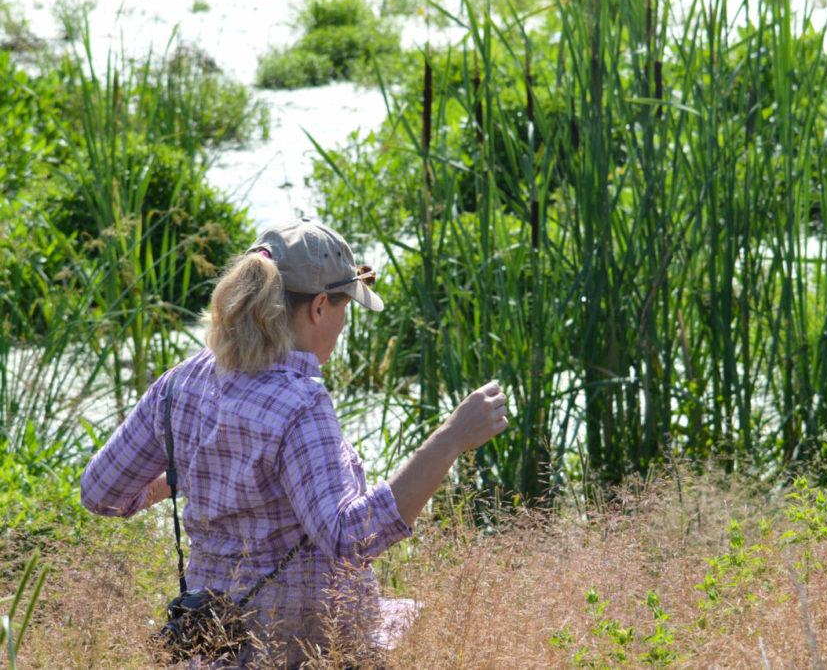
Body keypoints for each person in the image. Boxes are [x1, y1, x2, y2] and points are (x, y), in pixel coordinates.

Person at [80, 217, 509, 664]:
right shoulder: (300, 402)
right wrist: (450, 439)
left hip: (209, 648)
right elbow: (348, 538)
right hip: (297, 651)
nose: (342, 328)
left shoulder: (179, 384)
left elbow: (99, 493)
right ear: (320, 307)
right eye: (344, 309)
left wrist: (197, 470)